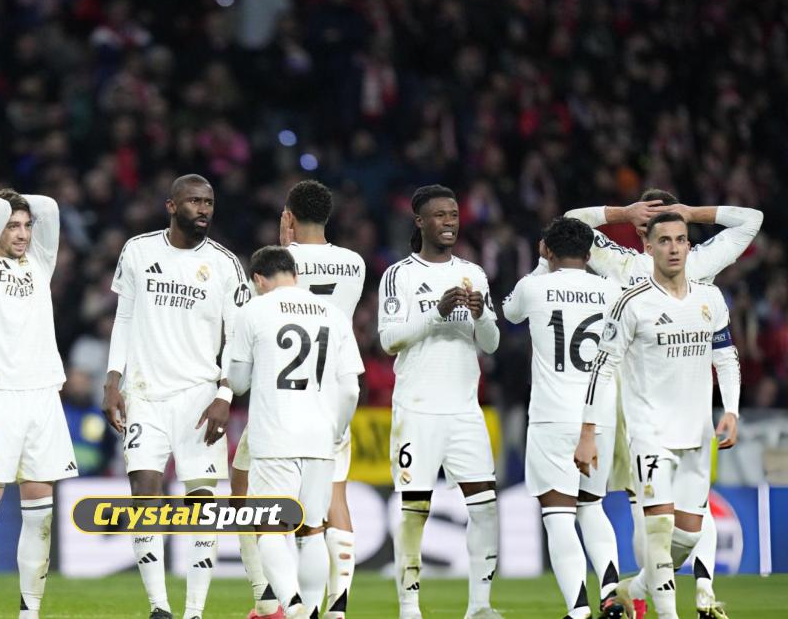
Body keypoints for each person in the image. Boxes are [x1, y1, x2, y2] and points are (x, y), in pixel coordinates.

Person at [565, 190, 762, 615]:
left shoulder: (705, 285)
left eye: (679, 237)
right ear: (646, 240)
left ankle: (635, 587)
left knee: (686, 535)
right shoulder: (625, 273)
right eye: (662, 236)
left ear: (687, 241)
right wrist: (622, 212)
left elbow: (726, 355)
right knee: (654, 523)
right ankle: (669, 610)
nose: (673, 247)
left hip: (694, 424)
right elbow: (571, 223)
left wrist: (731, 410)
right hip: (641, 417)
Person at [104, 174, 251, 619]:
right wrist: (113, 379)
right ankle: (159, 607)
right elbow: (124, 318)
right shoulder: (138, 250)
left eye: (209, 202)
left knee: (202, 501)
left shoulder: (226, 264)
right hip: (145, 393)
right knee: (143, 493)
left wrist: (225, 394)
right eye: (194, 201)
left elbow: (238, 339)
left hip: (199, 398)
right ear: (171, 206)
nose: (203, 209)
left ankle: (194, 611)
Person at [231, 180, 365, 618]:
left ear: (288, 216)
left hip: (277, 413)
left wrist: (281, 246)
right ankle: (334, 607)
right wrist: (338, 426)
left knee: (258, 508)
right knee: (319, 520)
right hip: (328, 408)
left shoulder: (269, 280)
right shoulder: (354, 265)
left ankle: (275, 601)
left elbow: (240, 373)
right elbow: (352, 383)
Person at [0, 189, 78, 619]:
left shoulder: (40, 261)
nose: (23, 233)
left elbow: (51, 208)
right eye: (12, 226)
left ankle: (30, 612)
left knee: (39, 516)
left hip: (42, 394)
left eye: (26, 226)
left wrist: (17, 203)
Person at [377, 185, 501, 619]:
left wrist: (481, 314)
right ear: (420, 222)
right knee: (414, 512)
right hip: (417, 410)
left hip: (465, 410)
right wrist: (436, 314)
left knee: (485, 509)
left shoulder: (473, 273)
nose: (449, 222)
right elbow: (389, 340)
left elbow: (491, 343)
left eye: (453, 214)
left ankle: (480, 607)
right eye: (439, 215)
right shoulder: (400, 275)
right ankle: (409, 608)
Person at [502, 217, 623, 619]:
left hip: (552, 417)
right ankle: (611, 591)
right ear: (589, 255)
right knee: (592, 506)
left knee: (559, 517)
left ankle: (579, 609)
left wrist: (541, 263)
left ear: (547, 250)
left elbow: (510, 313)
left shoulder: (533, 286)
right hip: (599, 417)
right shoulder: (612, 290)